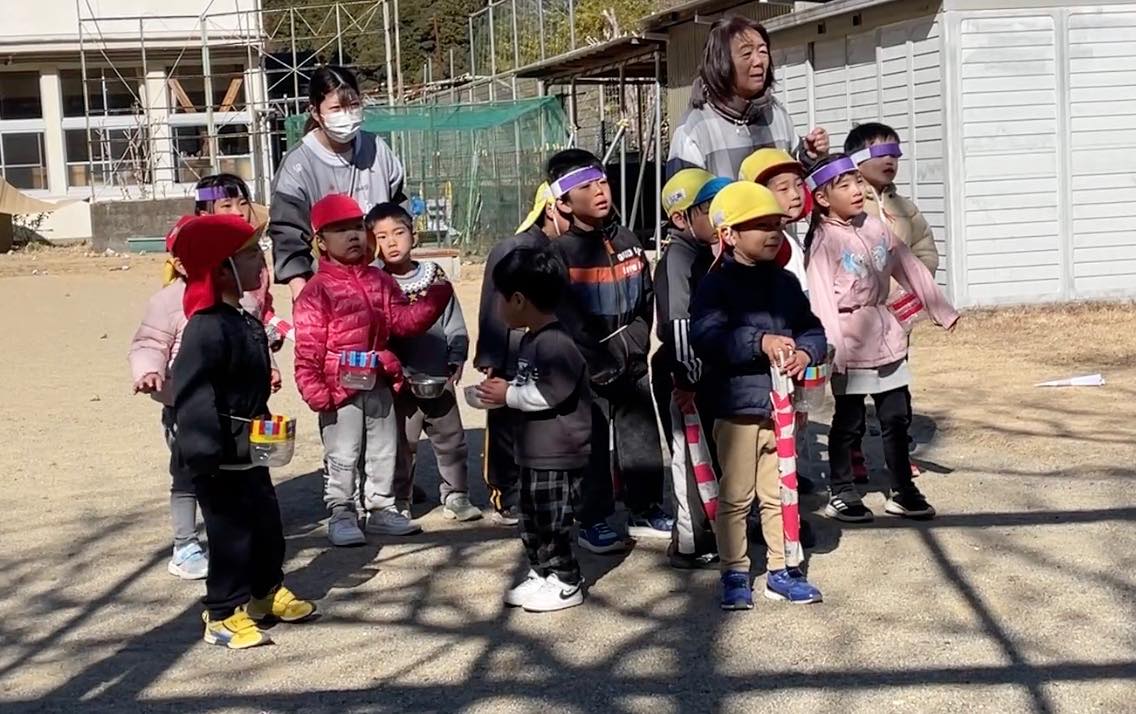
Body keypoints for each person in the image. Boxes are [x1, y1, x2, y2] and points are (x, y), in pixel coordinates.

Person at [169, 214, 315, 649]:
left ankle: (264, 593)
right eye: (250, 254)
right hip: (216, 456)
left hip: (251, 450)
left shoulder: (243, 318)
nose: (261, 262)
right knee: (230, 535)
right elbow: (194, 398)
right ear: (220, 269)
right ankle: (221, 613)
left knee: (266, 524)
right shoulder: (205, 327)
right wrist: (206, 453)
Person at [128, 175, 281, 582]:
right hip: (188, 408)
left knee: (244, 474)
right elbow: (149, 341)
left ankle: (242, 539)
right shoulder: (170, 302)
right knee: (189, 475)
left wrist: (268, 365)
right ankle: (185, 545)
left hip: (238, 410)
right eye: (225, 205)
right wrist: (149, 371)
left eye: (242, 204)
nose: (238, 212)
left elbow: (254, 335)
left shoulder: (242, 295)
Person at [690, 181, 827, 611]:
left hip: (781, 410)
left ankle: (782, 569)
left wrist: (805, 352)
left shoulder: (786, 283)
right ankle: (734, 571)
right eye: (760, 225)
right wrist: (759, 342)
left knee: (780, 492)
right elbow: (707, 337)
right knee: (736, 496)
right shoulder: (715, 285)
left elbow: (812, 329)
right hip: (736, 410)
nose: (772, 233)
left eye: (776, 225)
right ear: (729, 234)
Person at [803, 155, 959, 524]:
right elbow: (822, 301)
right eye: (844, 186)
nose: (856, 190)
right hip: (849, 341)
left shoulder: (875, 226)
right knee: (850, 421)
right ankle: (842, 491)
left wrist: (941, 309)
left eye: (857, 182)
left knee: (896, 416)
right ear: (822, 198)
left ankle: (903, 489)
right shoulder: (823, 241)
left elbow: (908, 266)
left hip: (886, 335)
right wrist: (834, 351)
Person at [292, 194, 453, 546]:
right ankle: (342, 512)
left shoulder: (379, 280)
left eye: (356, 227)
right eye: (339, 230)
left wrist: (433, 300)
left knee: (384, 447)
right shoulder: (316, 291)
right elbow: (308, 348)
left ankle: (381, 507)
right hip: (338, 387)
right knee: (343, 452)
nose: (352, 235)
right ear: (321, 241)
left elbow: (403, 322)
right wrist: (315, 390)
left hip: (378, 376)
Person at [546, 148, 672, 551]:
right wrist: (596, 361)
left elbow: (645, 300)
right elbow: (565, 318)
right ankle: (592, 519)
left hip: (631, 364)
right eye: (586, 187)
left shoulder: (629, 241)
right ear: (564, 202)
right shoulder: (560, 253)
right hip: (588, 372)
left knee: (641, 438)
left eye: (602, 182)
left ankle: (645, 508)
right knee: (592, 446)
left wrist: (636, 342)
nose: (600, 191)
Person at [475, 247, 590, 612]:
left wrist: (508, 394)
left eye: (500, 297)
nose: (497, 306)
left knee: (552, 520)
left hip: (558, 453)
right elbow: (529, 387)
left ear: (519, 300)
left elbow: (550, 394)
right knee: (531, 519)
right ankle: (541, 572)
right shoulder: (530, 339)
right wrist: (506, 390)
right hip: (533, 451)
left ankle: (567, 580)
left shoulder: (556, 342)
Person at [368, 202, 482, 523]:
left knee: (451, 439)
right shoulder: (375, 282)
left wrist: (456, 354)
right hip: (396, 384)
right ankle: (400, 496)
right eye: (381, 236)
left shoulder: (435, 278)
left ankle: (456, 494)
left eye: (398, 233)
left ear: (414, 236)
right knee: (401, 443)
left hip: (437, 377)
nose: (391, 242)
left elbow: (453, 321)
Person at [845, 122, 939, 480]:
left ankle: (899, 453)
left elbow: (924, 247)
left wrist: (914, 282)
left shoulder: (904, 207)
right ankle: (852, 452)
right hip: (856, 318)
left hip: (896, 316)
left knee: (896, 390)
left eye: (896, 153)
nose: (891, 160)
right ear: (857, 159)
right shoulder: (846, 204)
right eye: (881, 152)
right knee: (853, 391)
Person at [473, 183, 570, 525]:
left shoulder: (567, 248)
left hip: (551, 350)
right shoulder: (514, 248)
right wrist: (492, 358)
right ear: (551, 209)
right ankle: (505, 492)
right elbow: (492, 304)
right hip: (511, 352)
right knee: (506, 424)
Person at [269, 65, 406, 302]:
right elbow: (287, 235)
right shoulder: (298, 164)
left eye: (353, 105)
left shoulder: (377, 149)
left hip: (381, 285)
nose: (347, 115)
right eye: (336, 108)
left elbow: (398, 210)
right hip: (327, 292)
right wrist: (301, 293)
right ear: (315, 112)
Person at [652, 169, 729, 569]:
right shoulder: (677, 259)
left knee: (712, 454)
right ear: (682, 217)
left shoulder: (706, 253)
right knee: (687, 456)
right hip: (682, 375)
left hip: (706, 374)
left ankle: (716, 529)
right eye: (710, 209)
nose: (720, 218)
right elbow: (677, 323)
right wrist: (687, 377)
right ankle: (690, 541)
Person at [667, 15, 829, 180]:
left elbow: (796, 180)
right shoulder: (694, 129)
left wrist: (809, 155)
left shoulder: (777, 114)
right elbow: (682, 194)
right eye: (746, 54)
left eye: (763, 51)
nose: (758, 61)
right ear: (720, 62)